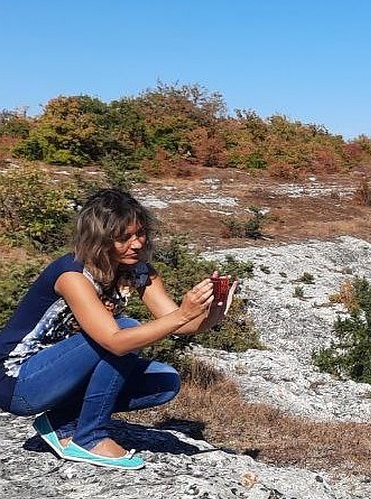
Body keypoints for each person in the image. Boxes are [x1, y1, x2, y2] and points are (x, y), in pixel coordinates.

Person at [0, 189, 235, 470]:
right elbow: (116, 341)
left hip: (61, 372)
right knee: (125, 330)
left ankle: (62, 422)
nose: (136, 244)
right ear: (99, 239)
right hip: (18, 381)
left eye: (140, 234)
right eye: (123, 238)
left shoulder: (138, 270)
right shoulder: (72, 275)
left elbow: (179, 323)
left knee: (165, 381)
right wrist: (183, 314)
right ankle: (88, 437)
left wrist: (212, 314)